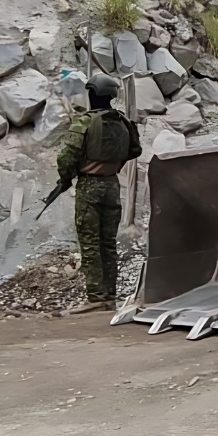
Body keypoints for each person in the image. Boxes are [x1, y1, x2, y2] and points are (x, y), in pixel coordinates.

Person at [54, 74, 141, 313]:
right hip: (113, 187)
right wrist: (112, 162)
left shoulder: (85, 122)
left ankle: (95, 298)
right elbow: (135, 149)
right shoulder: (124, 122)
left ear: (92, 94)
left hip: (89, 188)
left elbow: (66, 157)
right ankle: (110, 297)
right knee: (108, 244)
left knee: (90, 244)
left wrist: (66, 178)